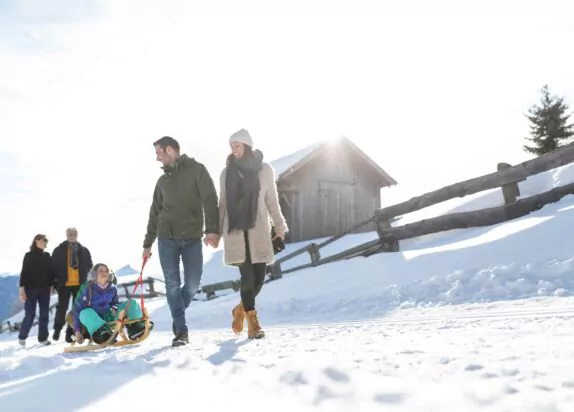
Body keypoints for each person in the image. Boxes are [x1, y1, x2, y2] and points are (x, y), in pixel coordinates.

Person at [143, 136, 220, 347]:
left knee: (193, 283)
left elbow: (210, 199)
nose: (158, 159)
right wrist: (147, 243)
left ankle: (178, 314)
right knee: (172, 284)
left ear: (170, 150)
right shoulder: (162, 181)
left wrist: (212, 230)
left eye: (159, 153)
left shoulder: (197, 170)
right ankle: (181, 329)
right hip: (166, 239)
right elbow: (154, 213)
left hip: (192, 238)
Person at [219, 129, 287, 339]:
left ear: (247, 146)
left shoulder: (264, 170)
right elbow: (222, 204)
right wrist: (213, 232)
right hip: (236, 234)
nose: (233, 150)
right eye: (231, 146)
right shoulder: (226, 173)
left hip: (258, 232)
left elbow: (271, 201)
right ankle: (253, 324)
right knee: (247, 278)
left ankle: (240, 309)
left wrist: (279, 226)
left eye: (237, 146)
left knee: (258, 279)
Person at [72, 263, 152, 344]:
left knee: (132, 303)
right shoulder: (87, 288)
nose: (104, 272)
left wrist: (115, 308)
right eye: (101, 271)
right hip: (94, 320)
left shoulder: (112, 288)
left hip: (109, 317)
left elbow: (115, 303)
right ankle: (102, 334)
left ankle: (135, 327)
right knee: (84, 312)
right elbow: (77, 309)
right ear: (94, 274)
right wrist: (77, 331)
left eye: (106, 271)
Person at [51, 227, 93, 342]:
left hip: (79, 284)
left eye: (74, 233)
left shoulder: (84, 250)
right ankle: (57, 330)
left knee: (77, 309)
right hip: (64, 284)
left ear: (77, 235)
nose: (72, 235)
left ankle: (72, 332)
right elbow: (52, 268)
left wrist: (85, 278)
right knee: (62, 308)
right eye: (70, 234)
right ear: (66, 235)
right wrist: (53, 284)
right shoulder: (58, 250)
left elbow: (90, 265)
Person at [17, 234, 56, 347]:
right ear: (36, 241)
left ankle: (43, 339)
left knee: (44, 314)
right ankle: (22, 337)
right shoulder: (28, 256)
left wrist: (52, 285)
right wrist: (21, 289)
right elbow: (24, 272)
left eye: (46, 241)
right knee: (30, 314)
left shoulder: (47, 256)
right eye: (43, 241)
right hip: (30, 289)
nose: (45, 243)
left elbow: (51, 272)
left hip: (44, 289)